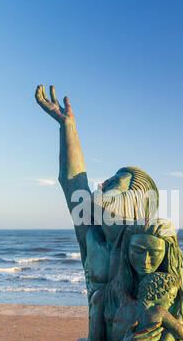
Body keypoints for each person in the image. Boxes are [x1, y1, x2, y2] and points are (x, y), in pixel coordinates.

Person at [35, 85, 159, 303]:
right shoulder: (92, 234)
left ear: (134, 197)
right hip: (98, 336)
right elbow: (71, 179)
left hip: (129, 337)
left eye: (116, 181)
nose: (104, 182)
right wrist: (67, 127)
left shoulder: (141, 248)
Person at [90, 219, 183, 341]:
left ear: (166, 253)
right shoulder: (103, 297)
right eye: (138, 251)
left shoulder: (177, 297)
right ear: (126, 249)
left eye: (154, 253)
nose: (145, 261)